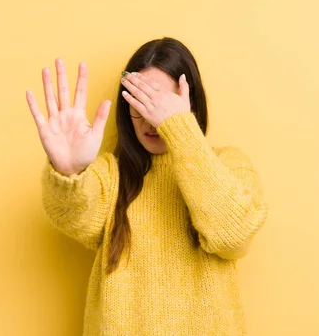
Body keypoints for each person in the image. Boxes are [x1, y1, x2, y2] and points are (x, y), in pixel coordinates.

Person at [25, 37, 268, 336]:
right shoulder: (111, 175)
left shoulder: (228, 164)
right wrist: (70, 170)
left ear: (190, 103)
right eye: (140, 101)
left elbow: (232, 237)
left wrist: (179, 128)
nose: (152, 120)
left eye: (162, 103)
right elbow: (74, 217)